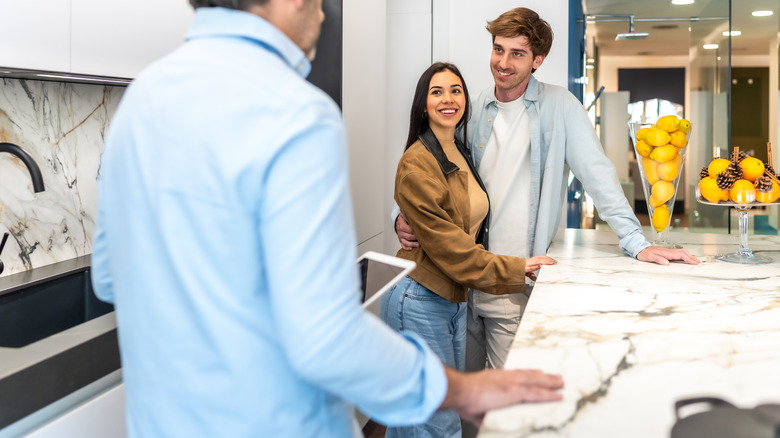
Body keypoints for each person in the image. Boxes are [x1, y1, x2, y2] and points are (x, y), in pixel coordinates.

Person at [91, 1, 564, 437]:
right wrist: (464, 390)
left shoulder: (142, 99)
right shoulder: (295, 113)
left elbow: (112, 279)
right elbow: (326, 337)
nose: (321, 15)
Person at [394, 7, 701, 374]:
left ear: (537, 60)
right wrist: (398, 216)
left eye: (517, 53)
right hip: (460, 285)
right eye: (498, 49)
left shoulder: (560, 108)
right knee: (465, 399)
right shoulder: (469, 109)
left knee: (506, 403)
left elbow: (599, 177)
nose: (503, 63)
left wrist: (634, 240)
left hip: (513, 283)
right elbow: (425, 166)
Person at [382, 62, 557, 438]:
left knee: (417, 421)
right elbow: (452, 249)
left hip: (453, 298)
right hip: (418, 299)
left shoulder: (460, 150)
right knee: (438, 425)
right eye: (437, 92)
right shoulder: (417, 164)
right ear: (422, 105)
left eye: (456, 90)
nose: (449, 99)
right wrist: (516, 267)